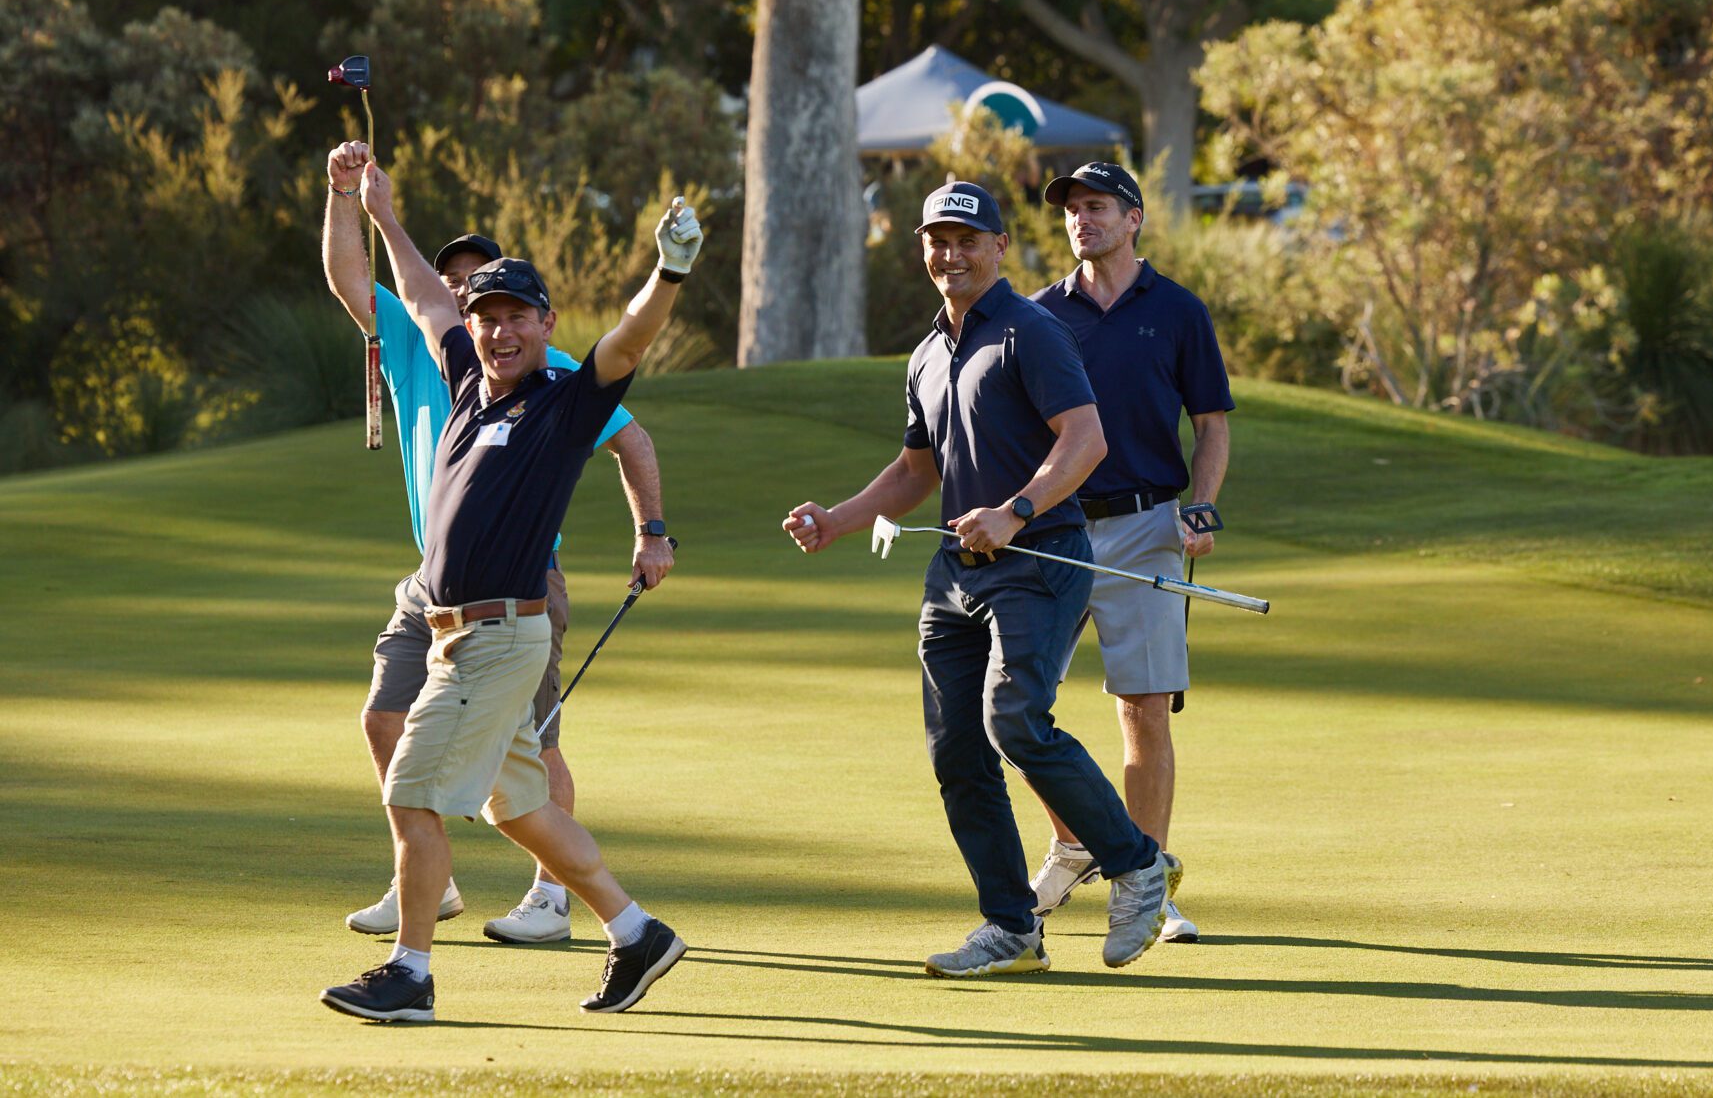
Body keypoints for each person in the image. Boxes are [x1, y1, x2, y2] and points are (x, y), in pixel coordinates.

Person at [318, 155, 701, 1022]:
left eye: (516, 317)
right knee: (520, 805)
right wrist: (381, 215)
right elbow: (424, 297)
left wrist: (669, 271)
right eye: (486, 317)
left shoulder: (564, 400)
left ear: (545, 323)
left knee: (411, 790)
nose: (499, 332)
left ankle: (410, 974)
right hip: (457, 630)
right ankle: (636, 932)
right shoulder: (466, 383)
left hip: (494, 638)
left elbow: (630, 339)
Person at [782, 181, 1181, 978]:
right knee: (957, 752)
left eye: (968, 240)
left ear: (999, 246)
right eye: (938, 239)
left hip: (1040, 560)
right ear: (923, 248)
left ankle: (1138, 862)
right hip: (954, 576)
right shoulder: (928, 353)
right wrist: (838, 518)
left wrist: (1016, 509)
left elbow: (1086, 439)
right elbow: (914, 470)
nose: (952, 254)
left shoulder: (1032, 330)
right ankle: (1011, 926)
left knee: (1015, 720)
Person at [1027, 161, 1232, 944]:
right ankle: (1076, 841)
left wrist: (1201, 503)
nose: (1081, 219)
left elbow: (1210, 424)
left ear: (1133, 217)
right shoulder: (1039, 314)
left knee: (1143, 708)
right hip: (1055, 528)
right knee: (1012, 705)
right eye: (1072, 209)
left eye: (1097, 206)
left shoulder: (1177, 310)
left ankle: (1147, 884)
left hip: (1147, 524)